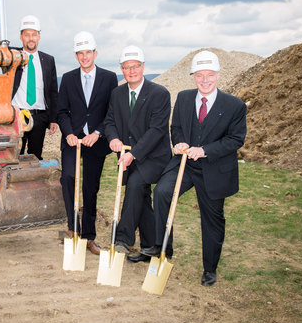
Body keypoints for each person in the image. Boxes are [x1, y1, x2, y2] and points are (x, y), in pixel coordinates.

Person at [152, 50, 247, 286]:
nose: (205, 80)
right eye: (199, 75)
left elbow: (236, 139)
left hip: (214, 169)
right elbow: (176, 127)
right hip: (184, 165)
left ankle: (210, 268)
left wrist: (204, 150)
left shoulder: (234, 105)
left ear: (218, 74)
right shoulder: (184, 98)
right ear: (193, 76)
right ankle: (164, 250)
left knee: (212, 219)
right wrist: (180, 142)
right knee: (162, 193)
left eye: (210, 75)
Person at [104, 45, 172, 262]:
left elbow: (157, 130)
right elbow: (110, 121)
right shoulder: (117, 94)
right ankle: (151, 246)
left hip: (154, 157)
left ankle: (123, 238)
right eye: (126, 67)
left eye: (135, 66)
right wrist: (113, 138)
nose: (131, 71)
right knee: (141, 198)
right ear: (121, 70)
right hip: (128, 155)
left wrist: (133, 154)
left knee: (135, 184)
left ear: (143, 67)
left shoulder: (159, 94)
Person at [56, 31, 117, 255]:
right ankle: (74, 230)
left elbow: (112, 111)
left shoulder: (109, 78)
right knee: (69, 178)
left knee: (91, 188)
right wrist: (69, 133)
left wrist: (99, 132)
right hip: (73, 140)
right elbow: (62, 111)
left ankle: (89, 237)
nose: (84, 57)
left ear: (95, 53)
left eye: (88, 52)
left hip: (96, 143)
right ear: (76, 55)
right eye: (80, 53)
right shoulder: (69, 78)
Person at [12, 15, 58, 160]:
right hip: (16, 116)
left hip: (39, 117)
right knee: (14, 157)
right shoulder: (12, 56)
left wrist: (53, 119)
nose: (30, 38)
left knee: (35, 158)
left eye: (34, 35)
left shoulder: (48, 60)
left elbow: (52, 91)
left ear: (39, 37)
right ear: (21, 37)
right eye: (27, 35)